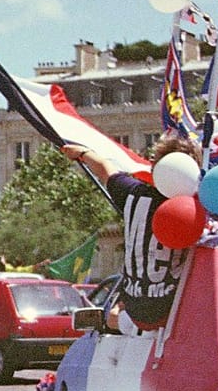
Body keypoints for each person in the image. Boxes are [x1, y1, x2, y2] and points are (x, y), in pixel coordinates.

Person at [54, 132, 192, 332]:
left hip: (137, 313)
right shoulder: (199, 208)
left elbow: (106, 170)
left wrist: (83, 153)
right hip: (179, 313)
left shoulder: (134, 196)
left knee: (113, 319)